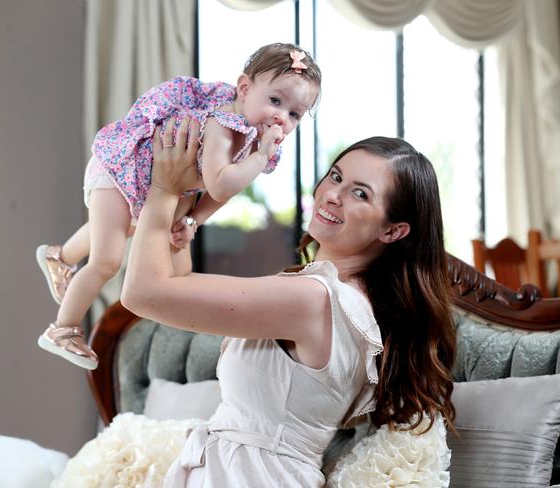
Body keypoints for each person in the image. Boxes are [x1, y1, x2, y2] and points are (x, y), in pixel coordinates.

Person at [120, 120, 457, 487]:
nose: (332, 194)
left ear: (392, 230)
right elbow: (174, 286)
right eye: (335, 176)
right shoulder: (345, 302)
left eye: (360, 194)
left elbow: (144, 293)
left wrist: (163, 187)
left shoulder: (315, 299)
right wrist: (185, 206)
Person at [35, 43, 322, 370]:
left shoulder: (251, 140)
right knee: (106, 260)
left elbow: (219, 195)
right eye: (275, 101)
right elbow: (219, 183)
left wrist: (193, 220)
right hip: (119, 170)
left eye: (294, 114)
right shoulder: (224, 125)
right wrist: (259, 158)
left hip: (142, 183)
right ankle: (63, 329)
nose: (281, 117)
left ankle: (59, 256)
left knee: (124, 227)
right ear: (244, 89)